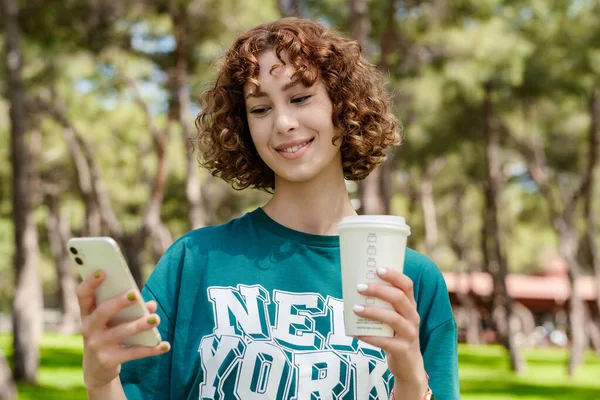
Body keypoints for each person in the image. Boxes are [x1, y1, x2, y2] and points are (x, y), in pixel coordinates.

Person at [77, 17, 459, 400]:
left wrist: (410, 380)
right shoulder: (193, 260)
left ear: (343, 109)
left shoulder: (412, 279)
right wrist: (100, 380)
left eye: (300, 98)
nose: (283, 123)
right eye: (260, 109)